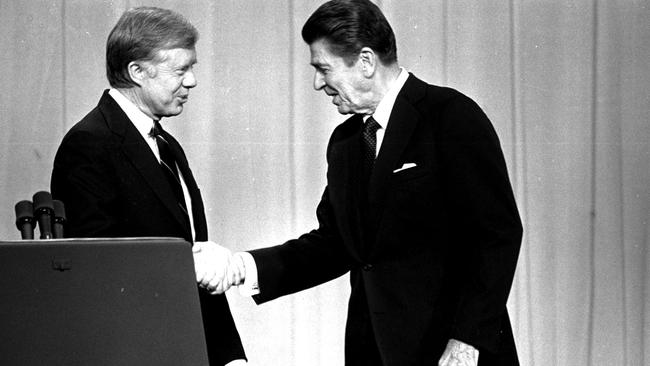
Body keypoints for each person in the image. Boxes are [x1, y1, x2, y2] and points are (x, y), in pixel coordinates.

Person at [195, 0, 522, 365]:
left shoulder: (450, 116)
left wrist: (466, 342)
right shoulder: (346, 143)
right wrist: (242, 267)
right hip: (373, 353)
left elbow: (497, 237)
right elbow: (334, 244)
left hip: (453, 352)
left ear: (365, 61)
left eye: (323, 68)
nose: (318, 83)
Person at [50, 7, 246, 366]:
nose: (192, 82)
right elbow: (92, 272)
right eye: (181, 69)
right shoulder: (89, 144)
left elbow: (195, 260)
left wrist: (230, 356)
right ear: (136, 72)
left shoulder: (167, 146)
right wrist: (183, 262)